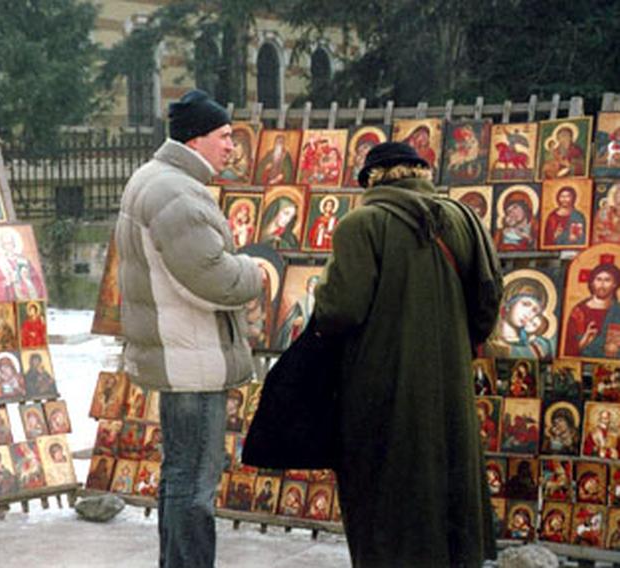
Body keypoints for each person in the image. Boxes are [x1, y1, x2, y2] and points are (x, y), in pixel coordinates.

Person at [308, 142, 502, 565]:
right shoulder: (465, 217)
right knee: (447, 486)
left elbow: (342, 308)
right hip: (450, 383)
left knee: (386, 493)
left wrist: (319, 294)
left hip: (380, 384)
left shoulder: (361, 224)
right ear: (420, 172)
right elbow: (489, 298)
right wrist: (455, 340)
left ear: (373, 179)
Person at [115, 89, 262, 568]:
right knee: (195, 488)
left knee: (179, 479)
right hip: (191, 362)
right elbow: (212, 279)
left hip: (181, 355)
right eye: (224, 136)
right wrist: (256, 272)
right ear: (196, 139)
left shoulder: (159, 179)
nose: (231, 146)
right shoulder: (174, 191)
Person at [564, 262, 620, 358]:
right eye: (598, 279)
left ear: (615, 284)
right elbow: (568, 349)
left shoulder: (617, 311)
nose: (602, 284)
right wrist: (585, 341)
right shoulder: (578, 312)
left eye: (607, 280)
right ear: (592, 282)